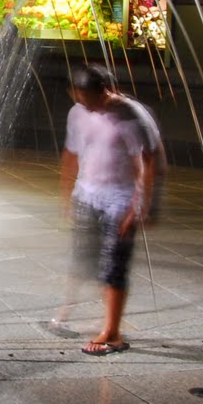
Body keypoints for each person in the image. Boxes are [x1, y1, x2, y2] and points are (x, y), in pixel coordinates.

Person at [53, 63, 165, 355]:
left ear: (104, 91)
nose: (84, 107)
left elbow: (151, 161)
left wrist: (141, 206)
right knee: (82, 255)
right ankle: (68, 307)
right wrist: (68, 195)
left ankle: (113, 333)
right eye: (77, 99)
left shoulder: (132, 116)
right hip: (87, 194)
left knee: (115, 264)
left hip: (120, 198)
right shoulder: (78, 112)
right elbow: (71, 153)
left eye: (87, 100)